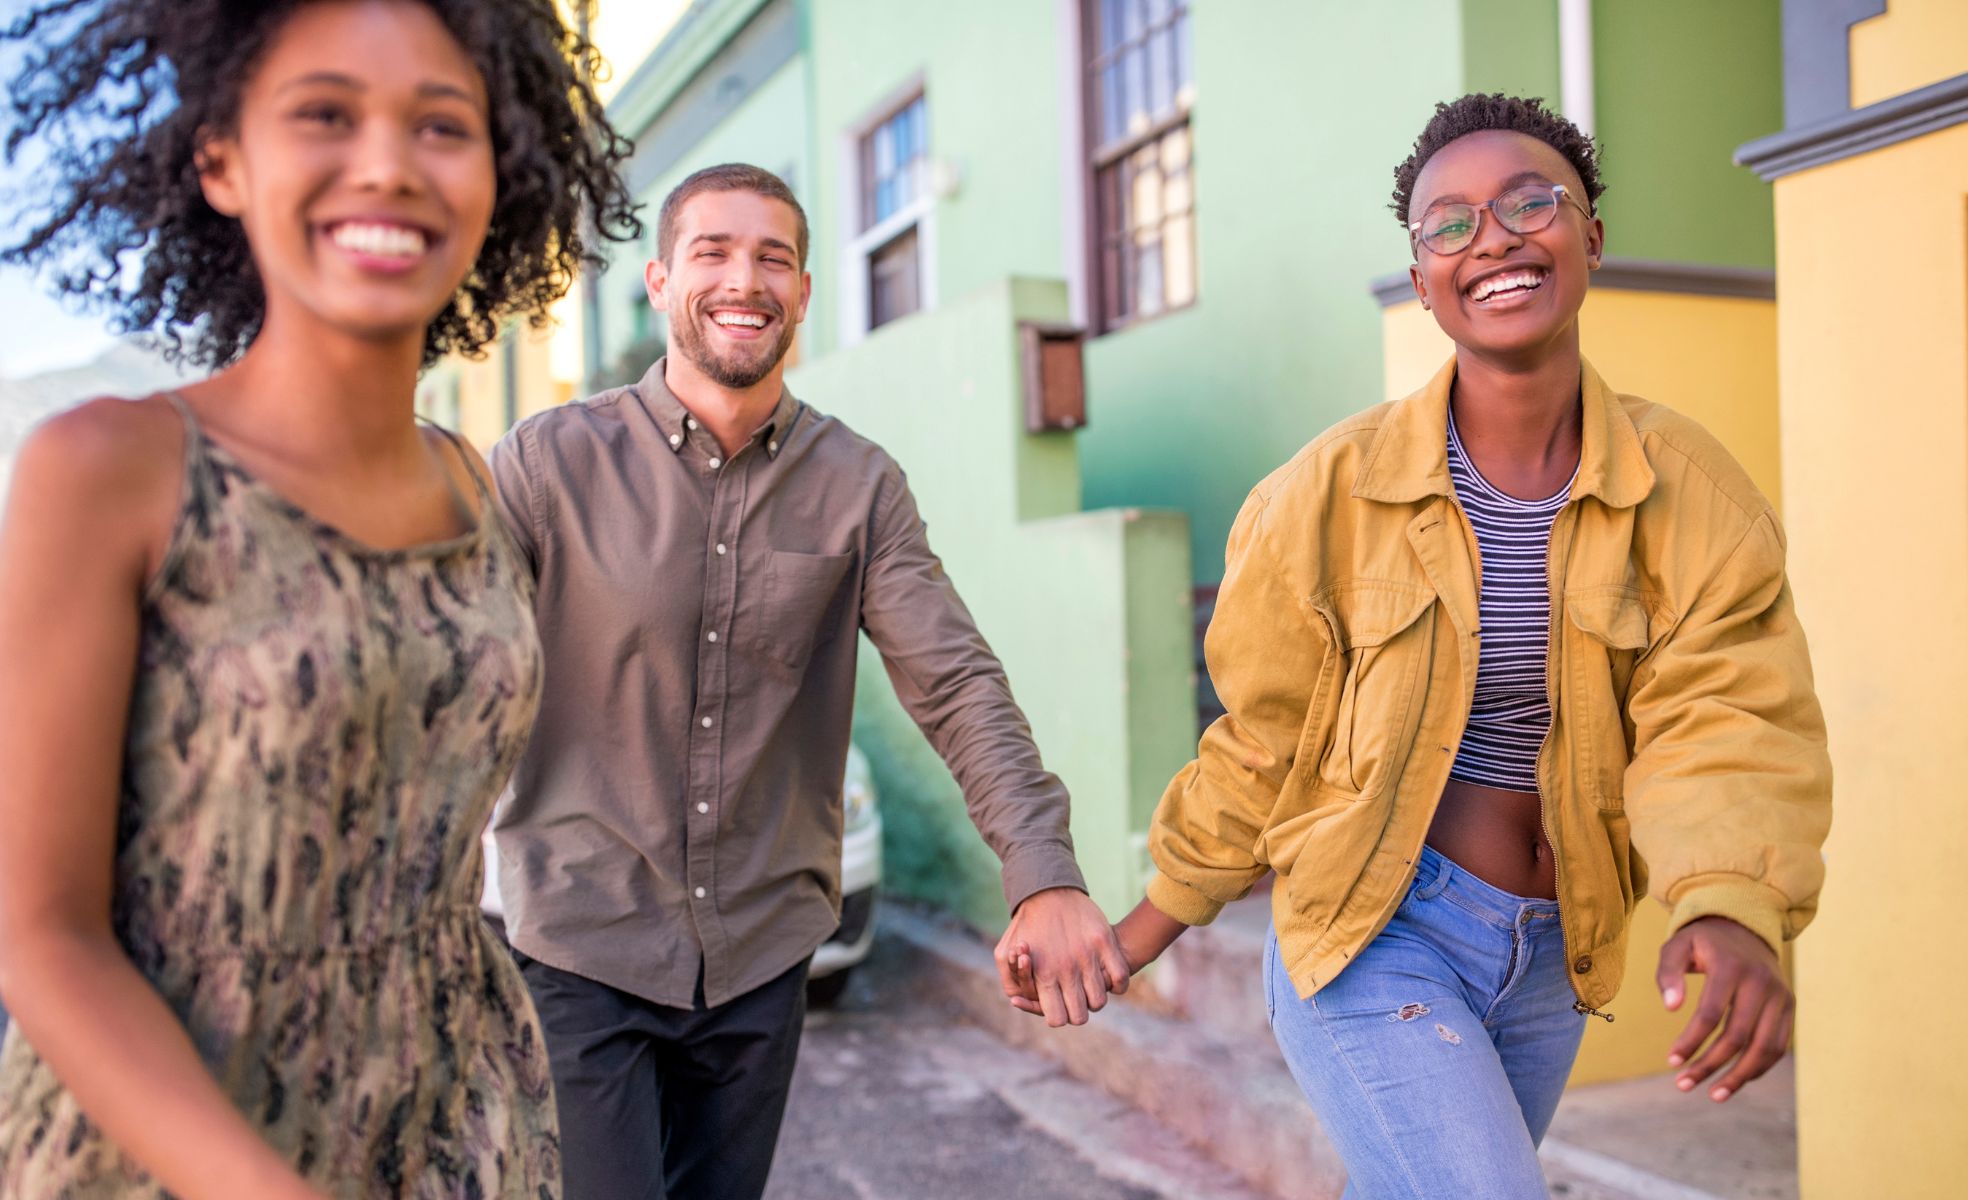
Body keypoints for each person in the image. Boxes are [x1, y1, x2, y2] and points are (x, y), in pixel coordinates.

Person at [1065, 95, 1832, 1197]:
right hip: (1375, 932)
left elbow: (1726, 712)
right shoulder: (1323, 497)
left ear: (1591, 239)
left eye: (1532, 202)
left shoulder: (1690, 491)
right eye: (1450, 225)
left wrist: (1727, 901)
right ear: (1423, 279)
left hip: (1550, 958)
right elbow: (1263, 740)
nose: (1496, 239)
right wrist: (1142, 929)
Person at [0, 2, 636, 1196]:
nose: (388, 165)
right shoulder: (109, 472)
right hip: (166, 1148)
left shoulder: (470, 482)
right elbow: (44, 938)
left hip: (458, 1120)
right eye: (325, 115)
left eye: (442, 126)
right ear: (222, 161)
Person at [486, 161, 1129, 1200]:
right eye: (714, 253)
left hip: (758, 956)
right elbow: (457, 677)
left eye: (772, 258)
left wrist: (1042, 867)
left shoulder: (858, 487)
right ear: (659, 280)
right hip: (581, 947)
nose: (745, 280)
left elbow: (953, 680)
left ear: (804, 291)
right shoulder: (547, 464)